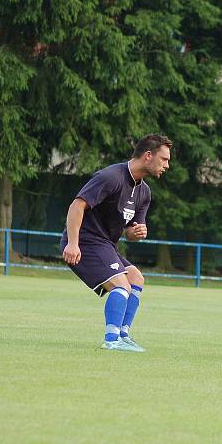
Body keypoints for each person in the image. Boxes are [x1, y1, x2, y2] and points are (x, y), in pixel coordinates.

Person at [61, 134, 172, 352]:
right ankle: (111, 340)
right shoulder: (111, 176)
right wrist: (73, 243)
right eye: (164, 159)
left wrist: (136, 232)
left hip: (106, 244)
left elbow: (130, 231)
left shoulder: (144, 192)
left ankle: (123, 335)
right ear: (148, 156)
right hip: (86, 241)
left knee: (136, 278)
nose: (167, 165)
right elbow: (77, 205)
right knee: (121, 284)